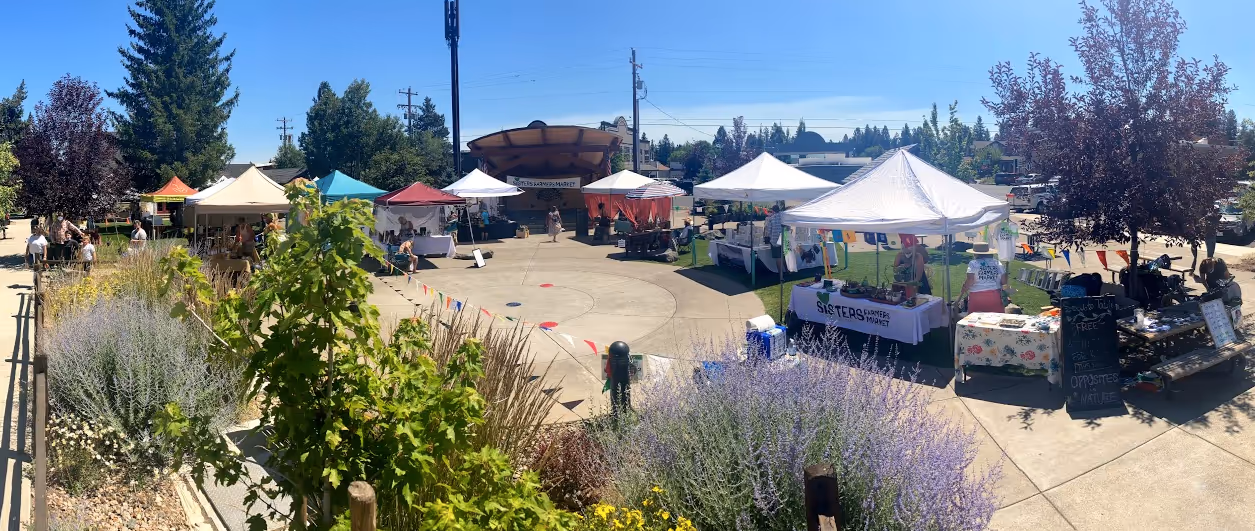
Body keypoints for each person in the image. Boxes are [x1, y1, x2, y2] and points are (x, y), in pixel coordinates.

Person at [959, 242, 1007, 313]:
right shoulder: (997, 263)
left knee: (975, 320)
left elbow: (970, 280)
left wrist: (964, 287)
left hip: (977, 296)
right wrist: (1008, 293)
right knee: (995, 320)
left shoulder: (973, 263)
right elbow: (1004, 282)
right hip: (995, 296)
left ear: (976, 253)